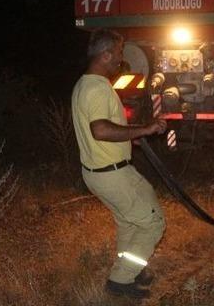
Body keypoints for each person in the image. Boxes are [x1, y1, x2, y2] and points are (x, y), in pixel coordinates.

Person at [71, 29, 167, 299]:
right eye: (118, 54)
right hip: (111, 174)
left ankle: (132, 270)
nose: (121, 61)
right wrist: (145, 130)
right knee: (153, 223)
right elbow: (100, 130)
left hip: (106, 171)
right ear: (105, 55)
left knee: (129, 222)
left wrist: (132, 136)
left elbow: (104, 130)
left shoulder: (85, 84)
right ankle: (120, 279)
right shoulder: (97, 88)